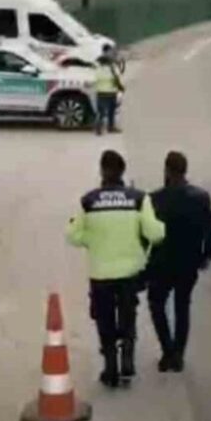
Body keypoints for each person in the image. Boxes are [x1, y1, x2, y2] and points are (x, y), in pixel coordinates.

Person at [68, 150, 166, 387]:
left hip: (100, 273)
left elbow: (73, 235)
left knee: (104, 320)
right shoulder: (138, 199)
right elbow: (155, 234)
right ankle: (127, 363)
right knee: (127, 317)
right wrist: (158, 228)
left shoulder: (88, 201)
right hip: (130, 272)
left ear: (102, 171)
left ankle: (110, 368)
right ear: (123, 171)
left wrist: (93, 241)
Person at [147, 152, 211, 372]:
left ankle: (167, 351)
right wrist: (206, 255)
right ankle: (178, 354)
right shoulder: (201, 198)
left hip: (162, 263)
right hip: (189, 262)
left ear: (167, 170)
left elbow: (147, 233)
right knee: (182, 306)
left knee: (156, 303)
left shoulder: (155, 199)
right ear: (185, 170)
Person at [94, 45, 125, 136]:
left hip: (100, 91)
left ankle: (98, 127)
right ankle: (110, 127)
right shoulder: (111, 67)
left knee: (101, 111)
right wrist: (121, 87)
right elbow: (116, 78)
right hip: (111, 92)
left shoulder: (97, 66)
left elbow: (95, 78)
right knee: (111, 110)